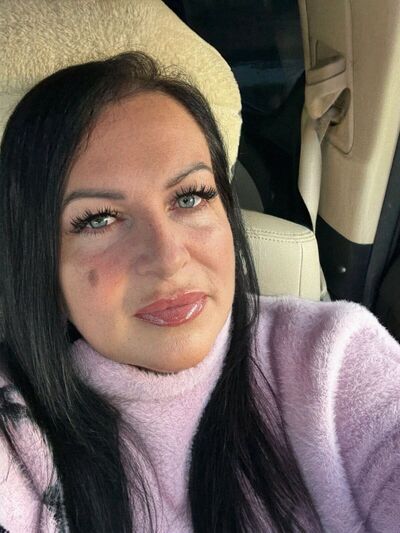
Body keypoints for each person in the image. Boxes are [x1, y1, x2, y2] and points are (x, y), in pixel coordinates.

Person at [0, 52, 399, 533]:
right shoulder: (16, 437)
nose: (169, 258)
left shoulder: (334, 358)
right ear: (39, 260)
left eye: (190, 197)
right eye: (99, 219)